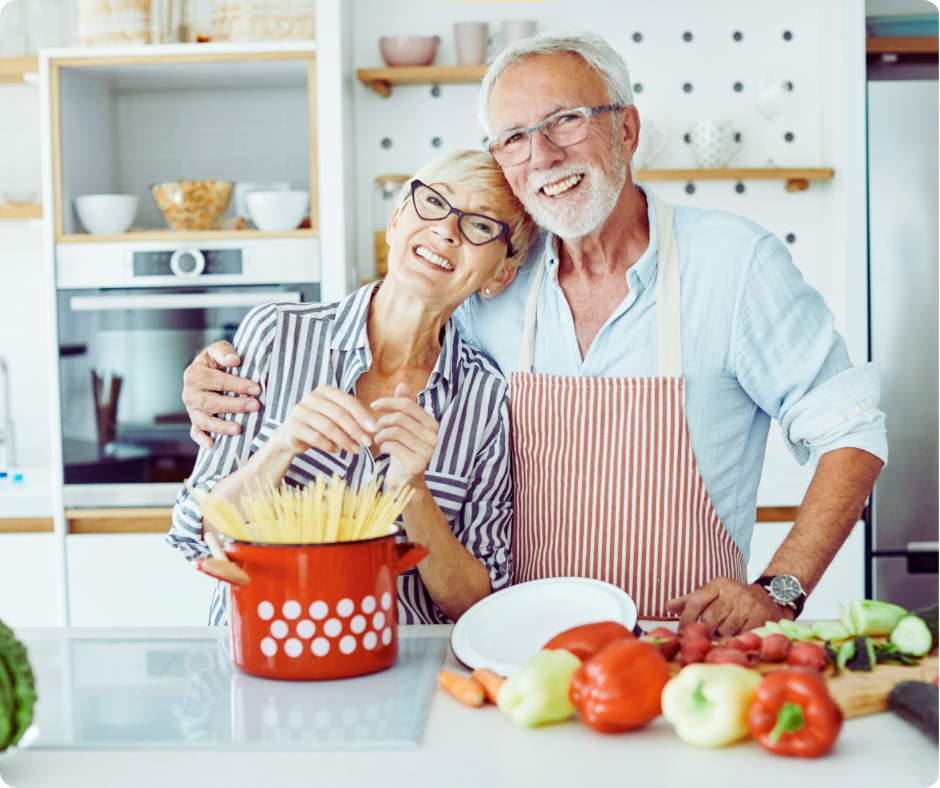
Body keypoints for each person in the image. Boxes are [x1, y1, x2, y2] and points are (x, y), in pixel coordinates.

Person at [180, 30, 887, 635]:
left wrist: (780, 592)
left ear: (627, 130)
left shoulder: (733, 264)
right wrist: (218, 372)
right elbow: (394, 314)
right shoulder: (497, 286)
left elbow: (851, 430)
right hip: (520, 650)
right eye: (514, 137)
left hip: (679, 643)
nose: (542, 154)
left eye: (566, 121)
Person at [167, 149, 539, 625]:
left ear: (501, 274)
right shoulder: (276, 335)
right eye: (433, 203)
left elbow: (476, 605)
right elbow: (198, 532)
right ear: (396, 221)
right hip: (263, 657)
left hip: (400, 667)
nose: (446, 230)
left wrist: (414, 492)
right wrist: (282, 446)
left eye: (482, 226)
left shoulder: (485, 398)